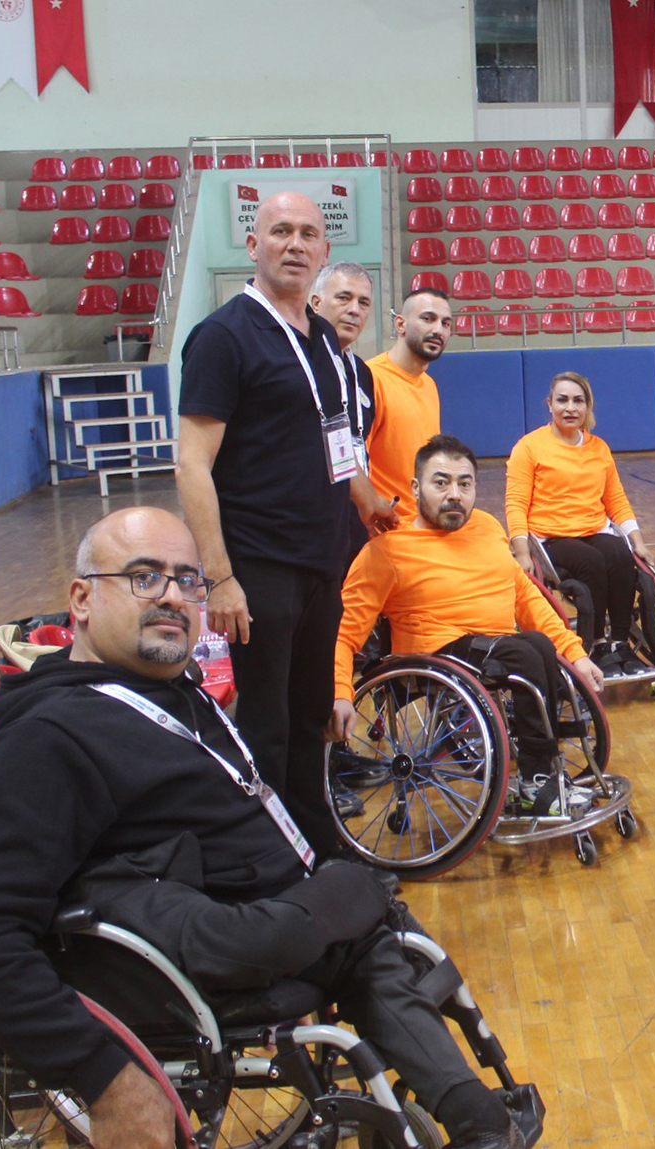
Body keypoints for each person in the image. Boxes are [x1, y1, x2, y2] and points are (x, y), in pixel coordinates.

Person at [0, 507, 530, 1149]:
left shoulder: (175, 693)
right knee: (349, 902)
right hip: (188, 949)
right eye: (143, 577)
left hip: (276, 916)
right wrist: (107, 1078)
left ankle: (480, 1122)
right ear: (81, 598)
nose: (171, 596)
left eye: (188, 580)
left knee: (362, 935)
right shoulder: (48, 739)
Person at [178, 192, 366, 857]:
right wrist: (219, 576)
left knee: (311, 716)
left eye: (309, 233)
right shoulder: (223, 336)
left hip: (322, 561)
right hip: (258, 564)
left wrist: (366, 500)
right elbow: (192, 465)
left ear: (323, 250)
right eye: (280, 231)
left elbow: (334, 434)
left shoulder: (322, 336)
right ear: (253, 245)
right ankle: (268, 859)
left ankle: (317, 849)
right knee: (266, 724)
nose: (296, 243)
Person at [332, 435, 604, 816]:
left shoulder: (488, 528)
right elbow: (343, 634)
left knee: (538, 646)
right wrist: (340, 692)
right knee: (526, 652)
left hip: (495, 647)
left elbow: (526, 599)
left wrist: (576, 655)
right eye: (441, 483)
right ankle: (535, 780)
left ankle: (545, 772)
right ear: (415, 488)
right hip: (433, 656)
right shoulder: (386, 551)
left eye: (464, 483)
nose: (454, 495)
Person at [507, 372, 655, 675]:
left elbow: (616, 500)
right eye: (562, 400)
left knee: (620, 553)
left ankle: (619, 643)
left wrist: (638, 542)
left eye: (578, 401)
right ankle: (598, 644)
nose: (570, 408)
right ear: (549, 404)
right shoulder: (529, 447)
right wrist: (522, 553)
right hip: (551, 538)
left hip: (592, 529)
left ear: (588, 406)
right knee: (592, 561)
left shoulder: (598, 448)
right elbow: (516, 504)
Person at [310, 260, 400, 567]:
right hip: (313, 516)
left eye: (363, 303)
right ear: (316, 303)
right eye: (343, 298)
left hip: (356, 514)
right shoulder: (303, 363)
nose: (354, 310)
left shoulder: (362, 372)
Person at [365, 287, 452, 511]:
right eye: (428, 319)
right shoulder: (370, 378)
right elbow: (353, 464)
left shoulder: (429, 385)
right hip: (388, 520)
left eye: (445, 323)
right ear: (400, 324)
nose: (438, 330)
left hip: (425, 515)